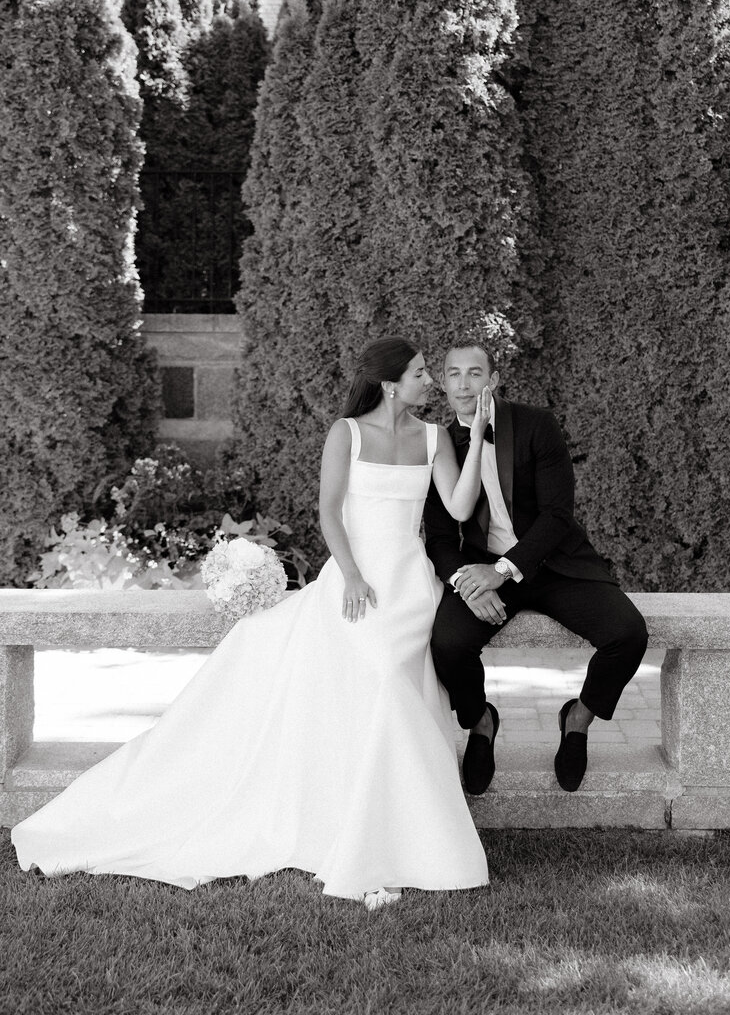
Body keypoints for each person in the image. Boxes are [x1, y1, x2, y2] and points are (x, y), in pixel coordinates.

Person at [12, 337, 491, 909]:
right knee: (382, 682)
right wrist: (354, 576)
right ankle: (363, 832)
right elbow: (329, 512)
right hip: (356, 580)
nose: (430, 381)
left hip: (410, 586)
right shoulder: (347, 433)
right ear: (390, 382)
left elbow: (459, 508)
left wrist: (479, 436)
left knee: (390, 680)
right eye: (419, 373)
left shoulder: (434, 437)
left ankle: (399, 833)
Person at [424, 339, 648, 796]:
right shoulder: (438, 444)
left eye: (474, 373)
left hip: (552, 563)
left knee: (627, 633)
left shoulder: (535, 425)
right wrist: (466, 582)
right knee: (447, 644)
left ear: (494, 380)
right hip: (482, 573)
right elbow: (442, 539)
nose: (464, 384)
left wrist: (504, 570)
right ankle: (481, 722)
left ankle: (578, 719)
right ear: (443, 383)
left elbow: (557, 515)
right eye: (453, 374)